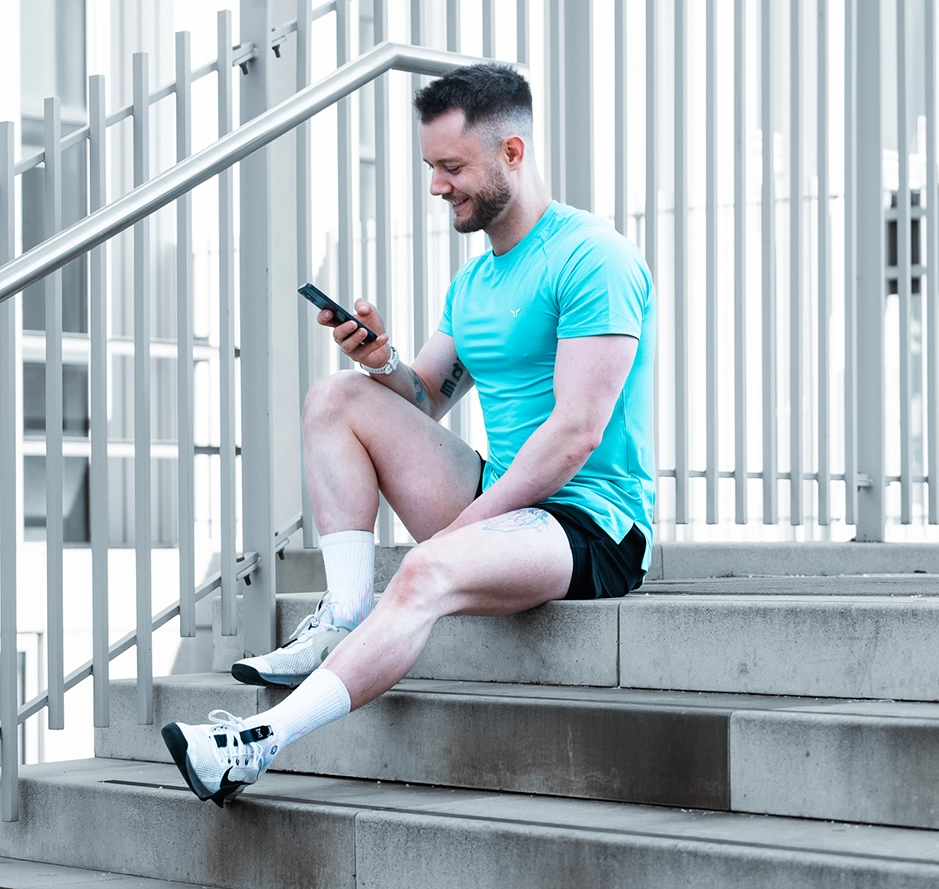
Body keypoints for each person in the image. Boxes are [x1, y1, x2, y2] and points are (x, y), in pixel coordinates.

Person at [161, 63, 656, 806]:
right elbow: (424, 399)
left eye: (451, 167)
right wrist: (381, 359)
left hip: (592, 525)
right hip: (504, 495)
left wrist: (460, 532)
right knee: (336, 398)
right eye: (431, 168)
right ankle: (346, 617)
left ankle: (253, 746)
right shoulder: (475, 283)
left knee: (424, 574)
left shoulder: (594, 258)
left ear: (512, 154)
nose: (437, 187)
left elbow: (575, 435)